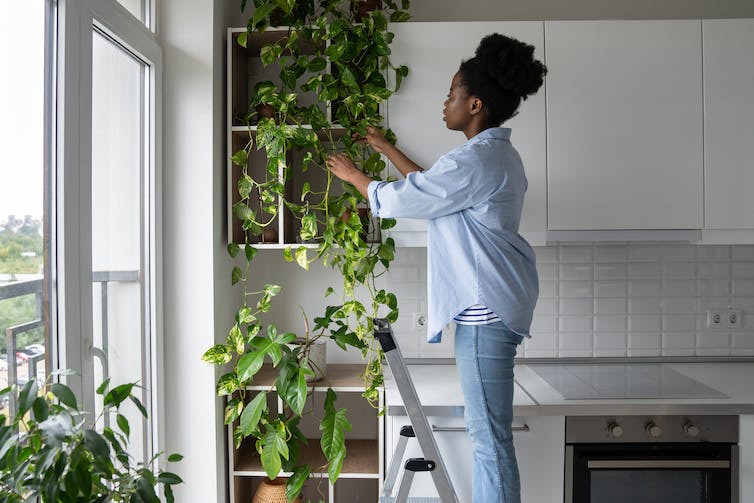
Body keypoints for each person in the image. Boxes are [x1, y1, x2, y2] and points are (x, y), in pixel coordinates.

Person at [326, 33, 546, 503]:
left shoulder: (478, 160)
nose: (444, 103)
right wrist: (385, 148)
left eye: (451, 94)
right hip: (492, 305)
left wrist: (353, 176)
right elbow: (435, 189)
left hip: (486, 310)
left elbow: (411, 198)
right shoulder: (487, 157)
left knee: (489, 441)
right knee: (489, 437)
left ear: (475, 105)